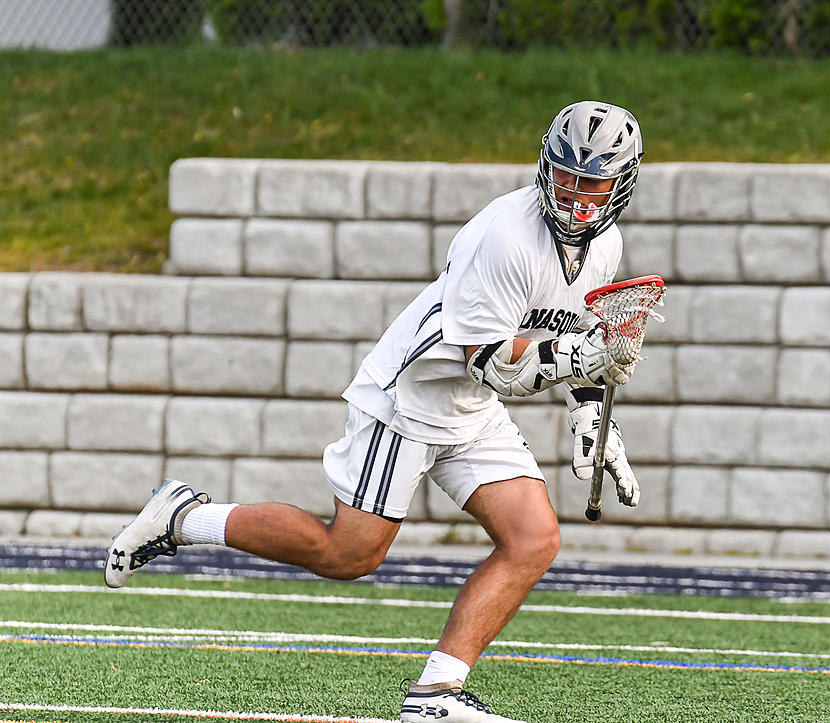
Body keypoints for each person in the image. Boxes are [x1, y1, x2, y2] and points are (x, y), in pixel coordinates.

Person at [104, 99, 645, 723]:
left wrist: (591, 418)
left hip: (471, 410)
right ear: (547, 168)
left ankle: (435, 694)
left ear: (621, 184)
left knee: (533, 539)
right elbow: (489, 359)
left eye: (593, 182)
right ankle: (185, 517)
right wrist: (577, 360)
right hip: (410, 400)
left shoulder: (604, 246)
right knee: (350, 555)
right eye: (567, 177)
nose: (576, 196)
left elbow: (570, 330)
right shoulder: (503, 236)